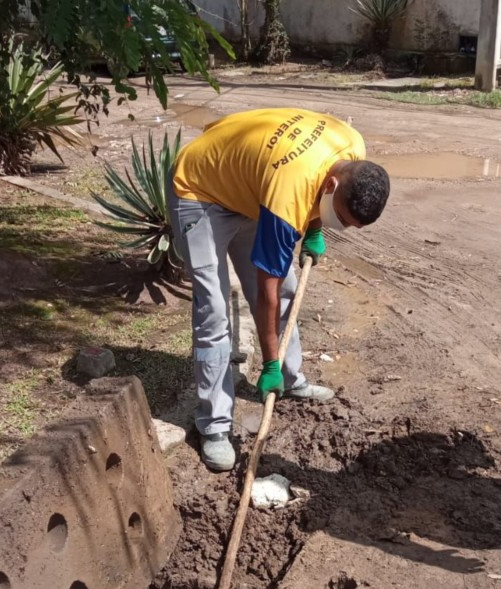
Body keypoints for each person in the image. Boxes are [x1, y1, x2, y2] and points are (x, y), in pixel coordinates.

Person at [165, 108, 390, 472]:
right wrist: (267, 363)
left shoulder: (351, 147)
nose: (343, 229)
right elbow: (263, 292)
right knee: (215, 311)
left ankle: (292, 379)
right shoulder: (290, 193)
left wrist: (316, 227)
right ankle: (215, 426)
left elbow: (316, 195)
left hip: (249, 186)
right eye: (342, 221)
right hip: (200, 189)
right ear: (331, 188)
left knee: (288, 288)